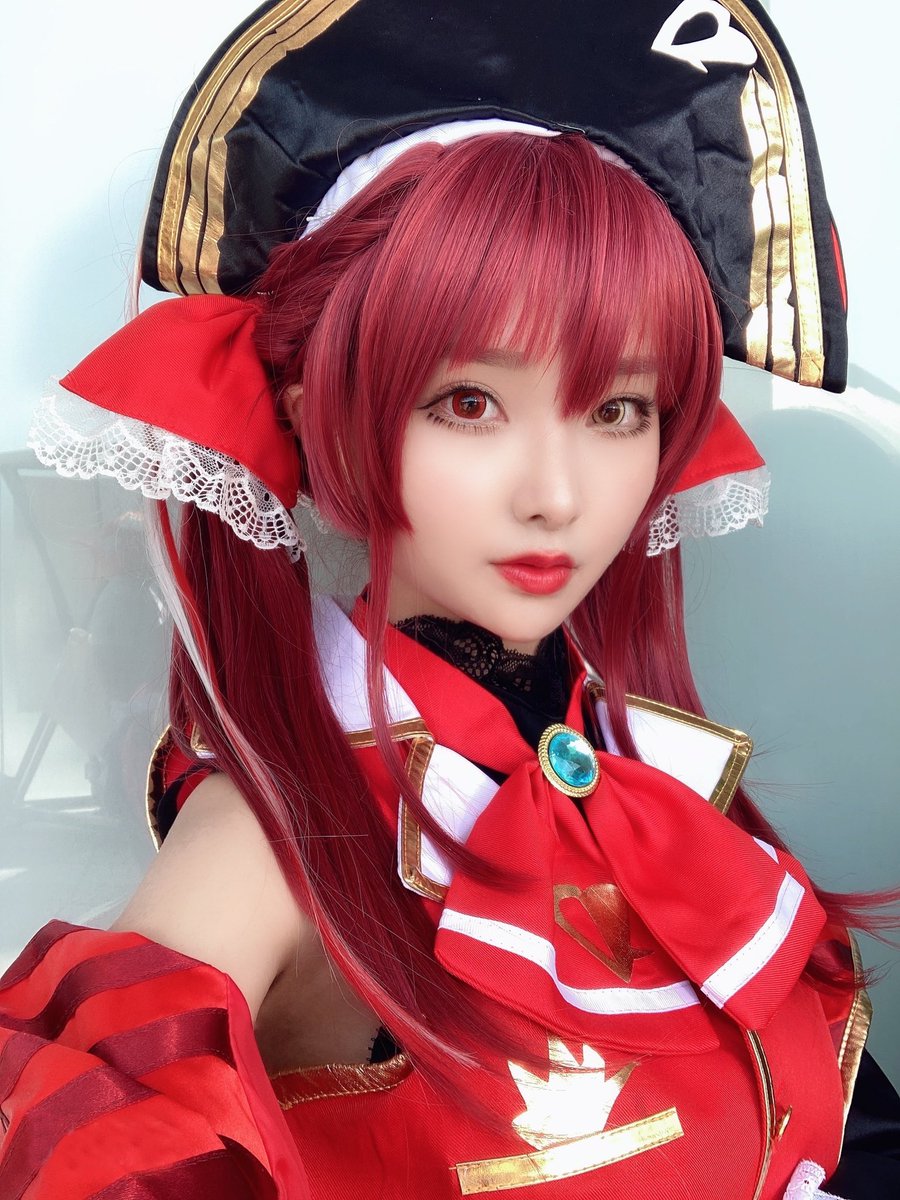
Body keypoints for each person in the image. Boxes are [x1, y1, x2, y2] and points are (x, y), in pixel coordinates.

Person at [2, 3, 899, 1198]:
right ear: (323, 412)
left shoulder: (641, 765)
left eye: (618, 409)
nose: (557, 496)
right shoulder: (276, 845)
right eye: (468, 403)